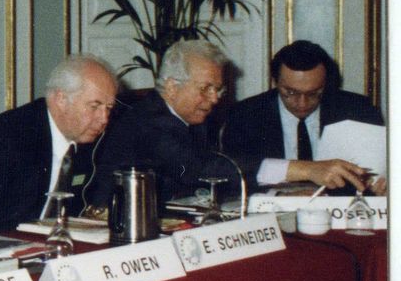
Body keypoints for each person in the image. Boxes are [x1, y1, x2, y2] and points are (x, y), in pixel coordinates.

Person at [0, 55, 118, 233]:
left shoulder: (90, 141)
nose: (104, 119)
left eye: (109, 108)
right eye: (94, 106)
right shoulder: (6, 136)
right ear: (61, 99)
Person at [220, 40, 384, 193]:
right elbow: (234, 176)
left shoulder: (358, 110)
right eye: (291, 92)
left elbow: (380, 169)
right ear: (275, 82)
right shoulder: (245, 115)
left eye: (313, 93)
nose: (302, 103)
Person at [95, 40, 231, 200]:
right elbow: (198, 170)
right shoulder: (147, 121)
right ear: (172, 87)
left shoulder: (195, 120)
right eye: (205, 88)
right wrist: (258, 171)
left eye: (218, 89)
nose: (215, 98)